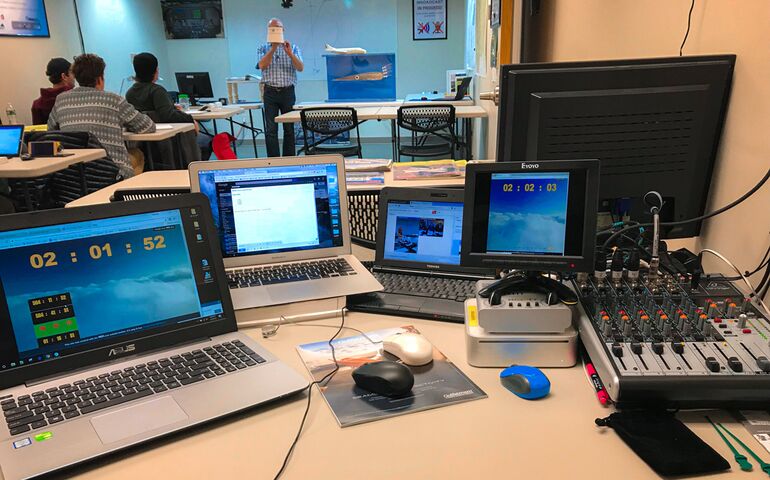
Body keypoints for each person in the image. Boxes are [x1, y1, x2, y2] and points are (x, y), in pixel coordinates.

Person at [48, 53, 155, 178]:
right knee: (137, 154)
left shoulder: (61, 100)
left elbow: (50, 131)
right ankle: (132, 192)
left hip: (75, 172)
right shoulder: (113, 100)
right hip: (111, 173)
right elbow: (147, 126)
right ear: (100, 78)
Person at [126, 52, 204, 164]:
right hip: (167, 144)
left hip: (144, 145)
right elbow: (168, 115)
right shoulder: (157, 91)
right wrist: (191, 120)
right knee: (206, 140)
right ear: (155, 70)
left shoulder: (130, 93)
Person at [256, 18, 304, 157]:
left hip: (287, 91)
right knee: (271, 129)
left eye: (278, 29)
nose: (276, 31)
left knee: (289, 128)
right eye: (272, 29)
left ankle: (289, 159)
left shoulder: (293, 48)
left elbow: (300, 67)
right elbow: (262, 65)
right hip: (270, 92)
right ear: (268, 32)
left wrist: (289, 53)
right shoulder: (262, 48)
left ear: (283, 31)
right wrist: (273, 48)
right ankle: (274, 160)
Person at [31, 58, 75, 125]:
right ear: (64, 76)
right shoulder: (75, 98)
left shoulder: (37, 104)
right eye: (72, 73)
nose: (74, 77)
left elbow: (38, 133)